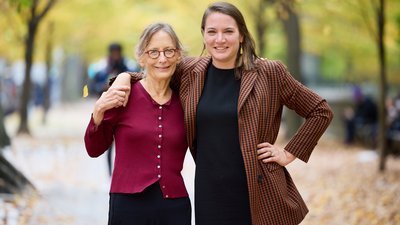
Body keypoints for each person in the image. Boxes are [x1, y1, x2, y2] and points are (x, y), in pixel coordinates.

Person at [111, 2, 333, 225]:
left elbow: (320, 110)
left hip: (259, 192)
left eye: (228, 31)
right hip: (210, 195)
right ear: (204, 36)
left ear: (242, 35)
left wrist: (289, 153)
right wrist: (124, 77)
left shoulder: (269, 73)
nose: (220, 39)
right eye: (212, 32)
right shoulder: (190, 72)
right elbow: (156, 71)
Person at [84, 23, 191, 225]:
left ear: (178, 55)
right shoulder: (123, 94)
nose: (162, 58)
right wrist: (98, 111)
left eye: (169, 51)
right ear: (141, 57)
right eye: (153, 52)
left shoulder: (187, 100)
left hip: (175, 207)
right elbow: (94, 148)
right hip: (128, 206)